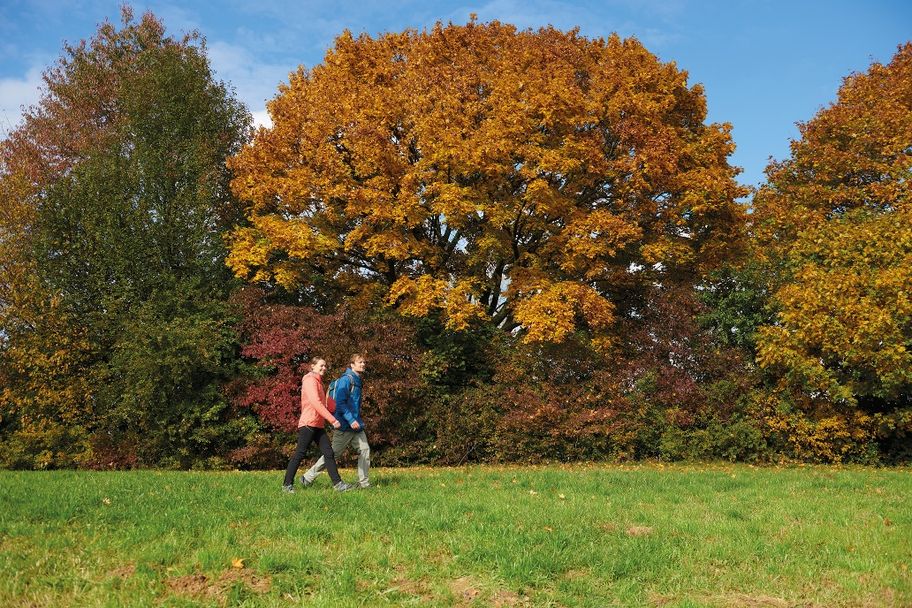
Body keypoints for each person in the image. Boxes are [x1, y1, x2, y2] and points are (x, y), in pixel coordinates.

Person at [282, 357, 354, 493]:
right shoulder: (309, 380)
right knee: (300, 453)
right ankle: (287, 485)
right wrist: (332, 420)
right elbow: (315, 402)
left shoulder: (319, 383)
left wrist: (332, 406)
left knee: (329, 453)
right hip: (308, 424)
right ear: (312, 366)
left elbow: (323, 404)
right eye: (321, 365)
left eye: (325, 366)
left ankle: (338, 484)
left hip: (318, 425)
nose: (324, 368)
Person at [301, 353, 372, 489]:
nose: (363, 364)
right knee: (332, 455)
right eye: (360, 362)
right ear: (352, 365)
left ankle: (364, 483)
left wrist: (356, 420)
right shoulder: (346, 380)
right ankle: (307, 477)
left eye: (364, 362)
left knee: (365, 450)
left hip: (356, 425)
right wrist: (350, 420)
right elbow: (340, 403)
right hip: (345, 425)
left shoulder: (357, 380)